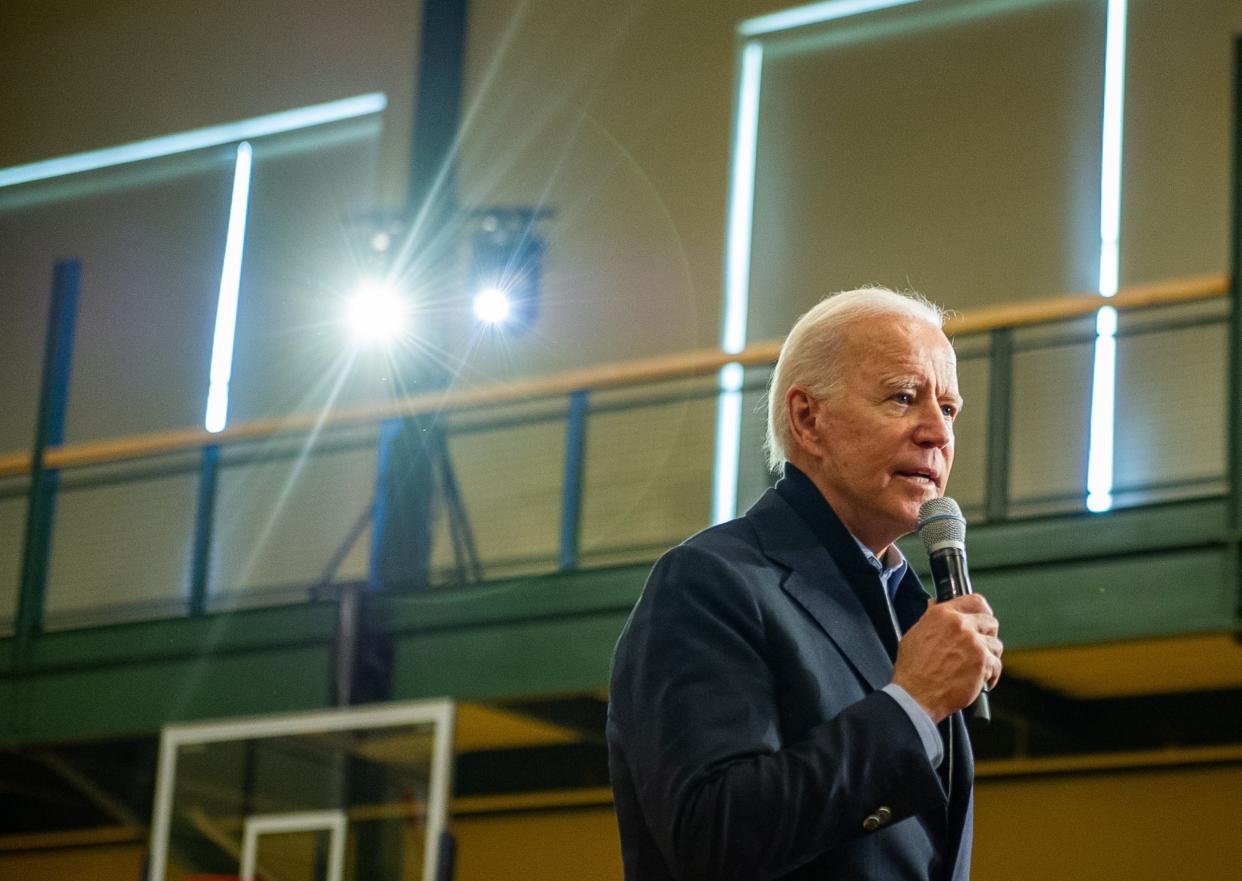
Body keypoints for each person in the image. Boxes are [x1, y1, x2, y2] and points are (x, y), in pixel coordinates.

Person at [606, 287, 1003, 881]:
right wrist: (913, 703)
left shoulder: (912, 612)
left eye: (948, 409)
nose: (937, 433)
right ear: (807, 419)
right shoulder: (711, 583)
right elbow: (712, 837)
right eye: (903, 397)